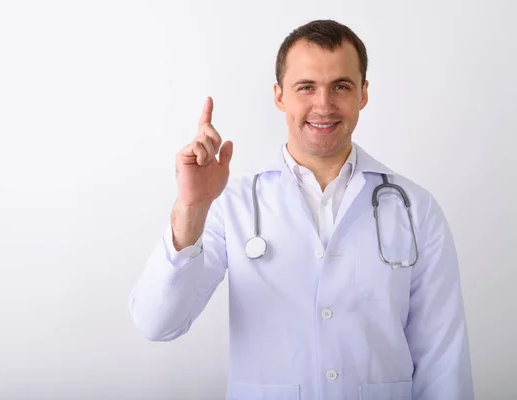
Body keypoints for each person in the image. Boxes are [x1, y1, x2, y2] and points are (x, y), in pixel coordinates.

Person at [129, 19, 474, 400]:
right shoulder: (233, 199)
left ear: (363, 94)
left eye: (341, 86)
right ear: (280, 96)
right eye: (305, 87)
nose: (323, 105)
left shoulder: (415, 208)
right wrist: (191, 208)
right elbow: (157, 322)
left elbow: (443, 361)